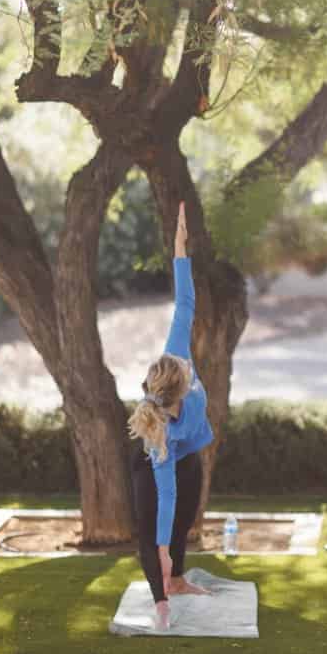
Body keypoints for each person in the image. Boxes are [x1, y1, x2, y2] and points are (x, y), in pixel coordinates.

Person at [127, 202, 214, 630]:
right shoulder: (157, 433)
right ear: (177, 393)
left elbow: (185, 303)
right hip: (157, 463)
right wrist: (160, 547)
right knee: (154, 531)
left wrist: (180, 248)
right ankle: (161, 601)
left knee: (186, 518)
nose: (186, 365)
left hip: (189, 453)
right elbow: (166, 497)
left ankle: (177, 580)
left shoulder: (176, 356)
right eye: (183, 371)